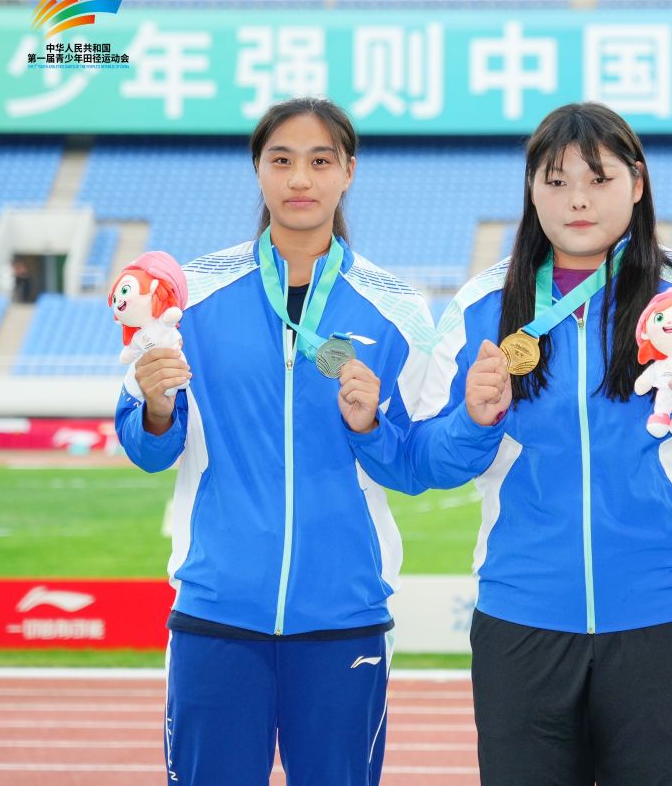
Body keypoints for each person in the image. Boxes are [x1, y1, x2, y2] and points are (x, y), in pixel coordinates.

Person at [356, 102, 672, 785]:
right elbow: (422, 464)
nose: (578, 199)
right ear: (531, 191)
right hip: (522, 618)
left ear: (638, 183)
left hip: (666, 616)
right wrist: (475, 420)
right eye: (555, 182)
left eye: (598, 178)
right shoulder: (484, 305)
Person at [115, 97, 492, 786]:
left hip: (343, 615)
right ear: (258, 170)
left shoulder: (395, 309)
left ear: (348, 172)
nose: (300, 179)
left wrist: (370, 425)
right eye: (281, 160)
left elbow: (415, 465)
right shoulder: (189, 294)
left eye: (320, 162)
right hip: (217, 611)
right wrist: (158, 405)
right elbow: (146, 448)